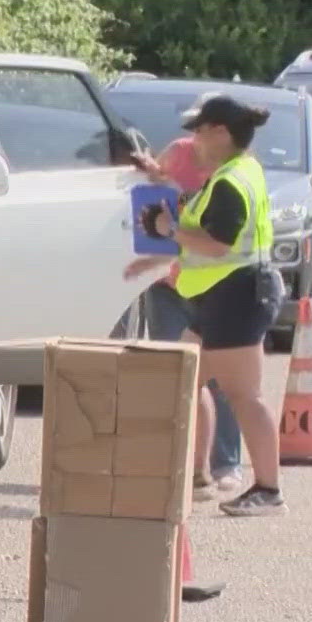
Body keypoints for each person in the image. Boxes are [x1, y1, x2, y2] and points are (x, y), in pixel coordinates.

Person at [127, 92, 287, 517]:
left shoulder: (231, 182)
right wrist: (157, 254)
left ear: (221, 132)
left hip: (238, 296)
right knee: (184, 377)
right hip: (223, 296)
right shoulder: (232, 173)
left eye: (199, 131)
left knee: (244, 395)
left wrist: (166, 230)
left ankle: (268, 488)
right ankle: (190, 474)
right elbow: (205, 241)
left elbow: (217, 245)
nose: (192, 140)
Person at [129, 120, 247, 500]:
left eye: (208, 130)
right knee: (178, 377)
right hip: (168, 284)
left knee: (220, 377)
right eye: (196, 130)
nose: (199, 138)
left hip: (215, 286)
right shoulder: (179, 153)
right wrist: (150, 171)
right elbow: (153, 188)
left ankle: (225, 463)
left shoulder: (234, 170)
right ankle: (183, 468)